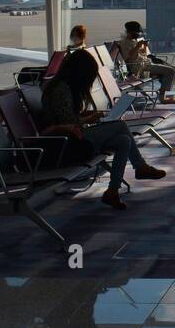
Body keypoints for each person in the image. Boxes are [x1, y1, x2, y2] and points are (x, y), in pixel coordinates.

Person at [40, 48, 166, 210]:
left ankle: (112, 191)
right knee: (120, 126)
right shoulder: (60, 89)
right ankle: (140, 167)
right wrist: (88, 118)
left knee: (124, 140)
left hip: (74, 138)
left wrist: (88, 116)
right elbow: (68, 123)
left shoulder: (64, 87)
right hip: (67, 143)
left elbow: (68, 117)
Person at [117, 20, 175, 104]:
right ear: (130, 32)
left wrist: (144, 46)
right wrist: (137, 47)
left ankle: (162, 92)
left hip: (146, 64)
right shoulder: (125, 43)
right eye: (137, 32)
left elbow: (144, 55)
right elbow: (129, 59)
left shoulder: (134, 41)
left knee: (174, 69)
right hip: (140, 68)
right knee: (170, 71)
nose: (138, 34)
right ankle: (162, 97)